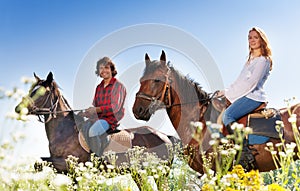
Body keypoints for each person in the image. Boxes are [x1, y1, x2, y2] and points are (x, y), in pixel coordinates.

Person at [217, 27, 273, 134]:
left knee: (227, 115)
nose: (252, 40)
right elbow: (239, 81)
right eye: (250, 38)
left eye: (255, 37)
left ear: (262, 40)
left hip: (253, 97)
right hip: (245, 94)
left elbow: (251, 83)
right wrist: (224, 91)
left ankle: (244, 148)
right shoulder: (250, 61)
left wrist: (229, 94)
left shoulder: (263, 60)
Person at [80, 56, 126, 154]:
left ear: (111, 70)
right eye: (101, 68)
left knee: (93, 131)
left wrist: (96, 110)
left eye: (106, 68)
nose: (104, 70)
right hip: (98, 118)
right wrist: (87, 113)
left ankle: (98, 159)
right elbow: (95, 107)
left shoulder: (118, 86)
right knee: (82, 127)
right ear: (98, 71)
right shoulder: (98, 87)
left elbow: (115, 107)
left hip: (110, 120)